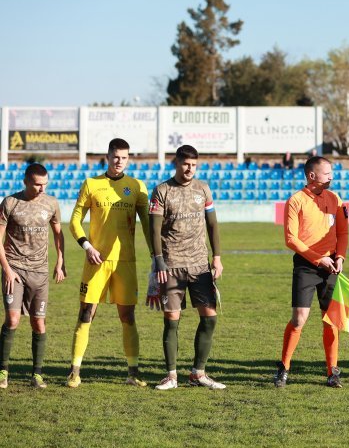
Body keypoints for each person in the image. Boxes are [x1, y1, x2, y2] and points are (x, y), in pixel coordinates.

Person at [66, 138, 153, 388]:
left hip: (125, 262)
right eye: (115, 156)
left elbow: (147, 224)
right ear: (107, 156)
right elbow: (74, 221)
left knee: (128, 316)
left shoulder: (137, 186)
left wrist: (155, 255)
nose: (119, 161)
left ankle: (133, 373)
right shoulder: (92, 184)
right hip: (96, 260)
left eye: (124, 157)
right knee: (86, 313)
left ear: (128, 159)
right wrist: (87, 245)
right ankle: (74, 371)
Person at [149, 145, 225, 390]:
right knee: (172, 319)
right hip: (171, 264)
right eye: (185, 164)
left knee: (210, 318)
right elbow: (155, 229)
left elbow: (212, 225)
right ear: (177, 163)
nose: (190, 169)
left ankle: (198, 373)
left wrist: (217, 257)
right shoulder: (162, 191)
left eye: (194, 165)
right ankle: (171, 376)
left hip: (200, 265)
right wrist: (158, 259)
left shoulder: (203, 189)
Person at [275, 155, 349, 388]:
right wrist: (318, 259)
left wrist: (340, 257)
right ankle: (284, 367)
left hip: (331, 266)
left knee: (331, 320)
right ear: (312, 176)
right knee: (299, 319)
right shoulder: (296, 201)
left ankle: (332, 371)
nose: (332, 177)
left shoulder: (335, 199)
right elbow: (290, 239)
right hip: (306, 265)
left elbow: (344, 233)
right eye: (328, 174)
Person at [0, 164, 66, 389]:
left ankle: (37, 374)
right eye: (38, 184)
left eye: (45, 184)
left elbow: (58, 233)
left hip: (40, 273)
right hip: (15, 270)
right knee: (13, 320)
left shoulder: (51, 203)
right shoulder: (10, 203)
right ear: (26, 181)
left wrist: (60, 261)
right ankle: (3, 371)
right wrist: (7, 269)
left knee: (38, 323)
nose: (42, 188)